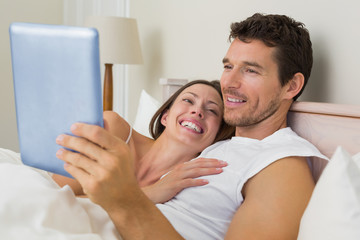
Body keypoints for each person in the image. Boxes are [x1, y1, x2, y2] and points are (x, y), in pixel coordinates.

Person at [56, 13, 327, 239]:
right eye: (228, 66)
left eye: (250, 70)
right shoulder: (217, 147)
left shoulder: (280, 164)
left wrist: (124, 199)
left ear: (291, 85)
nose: (229, 83)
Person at [54, 79, 235, 203]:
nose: (198, 111)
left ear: (216, 136)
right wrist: (149, 194)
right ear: (165, 117)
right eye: (188, 100)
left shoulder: (187, 182)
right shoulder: (113, 130)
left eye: (212, 110)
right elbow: (57, 195)